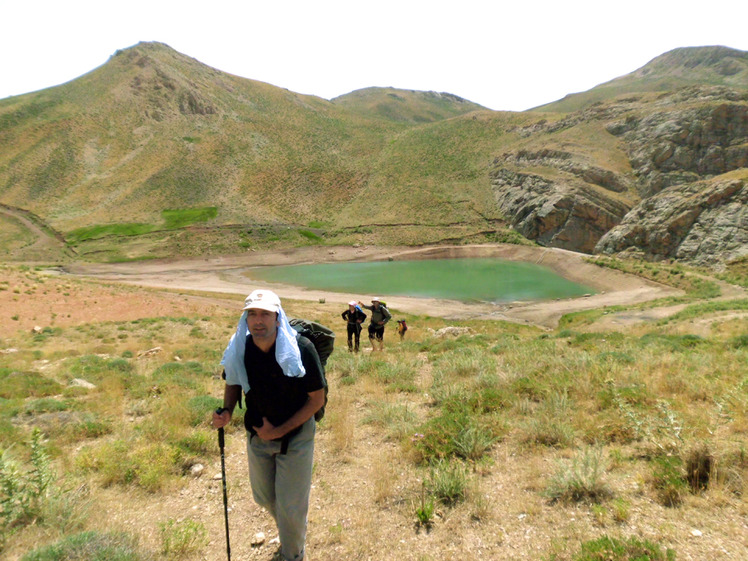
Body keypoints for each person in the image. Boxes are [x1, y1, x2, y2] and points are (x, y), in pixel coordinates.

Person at [212, 289, 325, 561]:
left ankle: (294, 553)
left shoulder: (301, 349)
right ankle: (290, 528)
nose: (258, 320)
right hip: (258, 434)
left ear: (277, 317)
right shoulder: (241, 345)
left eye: (265, 313)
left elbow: (316, 400)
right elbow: (234, 380)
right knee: (264, 497)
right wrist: (227, 411)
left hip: (296, 435)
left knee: (290, 505)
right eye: (252, 313)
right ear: (246, 318)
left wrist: (278, 431)